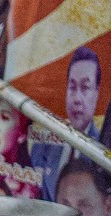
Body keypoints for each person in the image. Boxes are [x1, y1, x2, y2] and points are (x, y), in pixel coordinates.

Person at [30, 47, 102, 200]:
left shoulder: (103, 152)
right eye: (72, 87)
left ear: (96, 93)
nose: (77, 98)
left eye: (85, 87)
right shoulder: (41, 146)